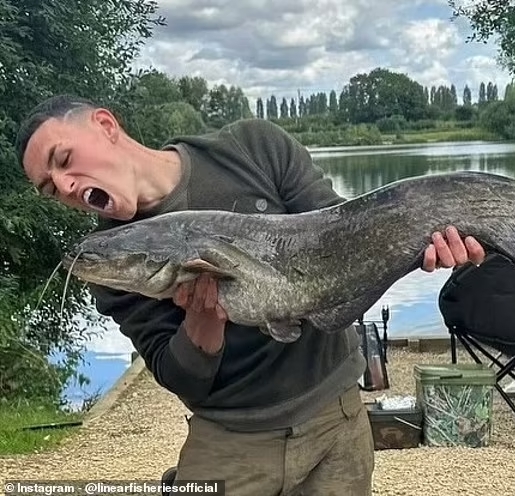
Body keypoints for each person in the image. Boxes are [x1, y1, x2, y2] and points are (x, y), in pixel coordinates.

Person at [17, 94, 486, 495]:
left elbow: (343, 231)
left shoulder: (253, 146)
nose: (65, 187)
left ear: (105, 126)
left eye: (64, 160)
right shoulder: (108, 266)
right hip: (229, 439)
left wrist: (416, 244)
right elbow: (179, 377)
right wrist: (203, 323)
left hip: (336, 414)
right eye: (49, 188)